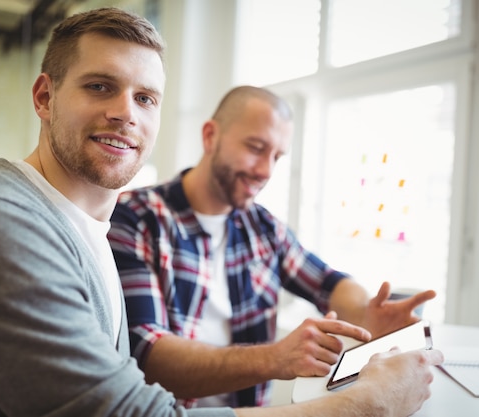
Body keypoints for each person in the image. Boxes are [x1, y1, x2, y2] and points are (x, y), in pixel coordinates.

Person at [0, 7, 442, 417]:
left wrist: (365, 313)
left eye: (146, 98)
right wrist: (365, 404)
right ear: (45, 97)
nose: (125, 112)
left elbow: (326, 279)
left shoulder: (96, 227)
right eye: (99, 86)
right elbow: (138, 390)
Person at [108, 85, 440, 409]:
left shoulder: (263, 228)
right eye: (255, 147)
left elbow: (329, 282)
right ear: (210, 136)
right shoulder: (135, 218)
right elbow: (149, 357)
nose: (266, 170)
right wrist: (277, 357)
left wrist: (365, 312)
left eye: (276, 156)